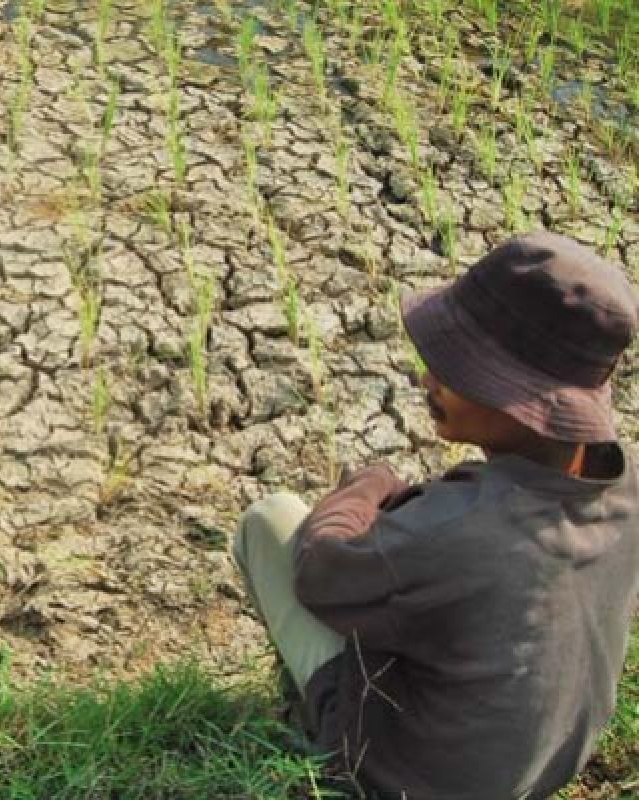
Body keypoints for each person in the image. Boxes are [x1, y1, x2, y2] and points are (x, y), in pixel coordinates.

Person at [231, 232, 639, 799]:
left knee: (271, 521)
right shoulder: (624, 485)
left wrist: (367, 486)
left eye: (454, 368)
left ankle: (315, 726)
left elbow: (320, 569)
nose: (428, 379)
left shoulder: (460, 527)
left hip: (412, 782)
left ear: (518, 397)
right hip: (546, 765)